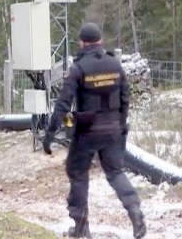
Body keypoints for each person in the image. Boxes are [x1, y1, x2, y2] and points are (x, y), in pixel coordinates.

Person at [43, 22, 147, 239]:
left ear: (82, 42)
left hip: (86, 131)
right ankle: (135, 212)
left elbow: (63, 103)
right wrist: (119, 124)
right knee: (116, 173)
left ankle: (81, 228)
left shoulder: (78, 68)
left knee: (78, 174)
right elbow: (125, 98)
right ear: (100, 41)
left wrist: (50, 134)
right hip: (113, 131)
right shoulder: (115, 64)